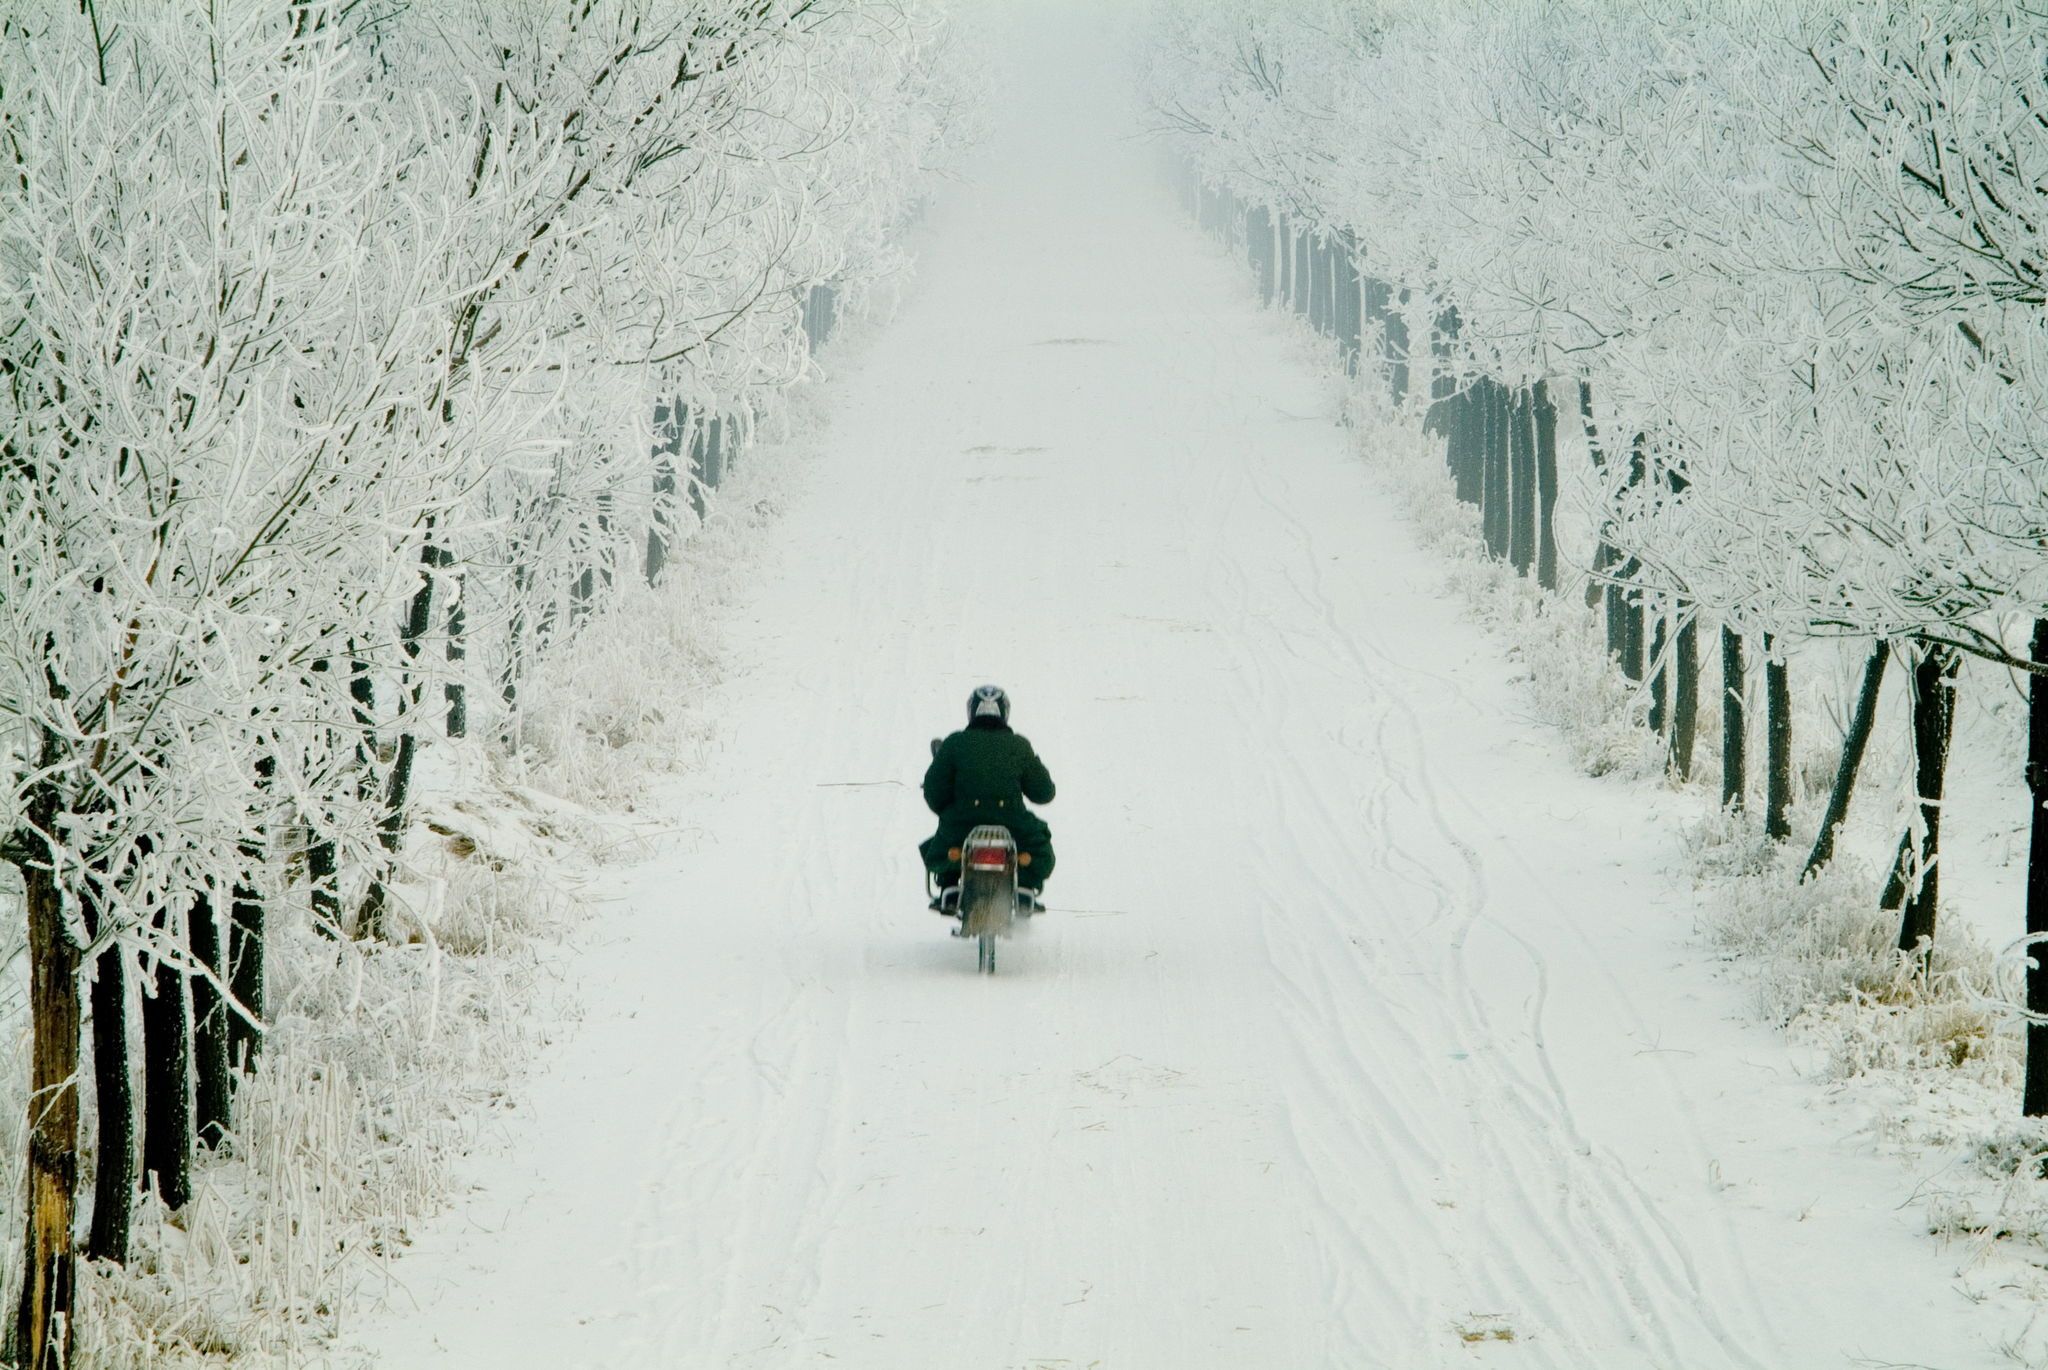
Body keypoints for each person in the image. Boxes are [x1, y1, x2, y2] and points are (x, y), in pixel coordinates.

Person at [920, 684, 1056, 907]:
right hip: (1012, 823)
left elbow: (933, 792)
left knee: (941, 850)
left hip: (963, 823)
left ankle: (950, 884)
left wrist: (948, 811)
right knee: (1038, 848)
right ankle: (1025, 886)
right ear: (1005, 711)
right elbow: (1044, 794)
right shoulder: (1020, 745)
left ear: (972, 710)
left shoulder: (954, 743)